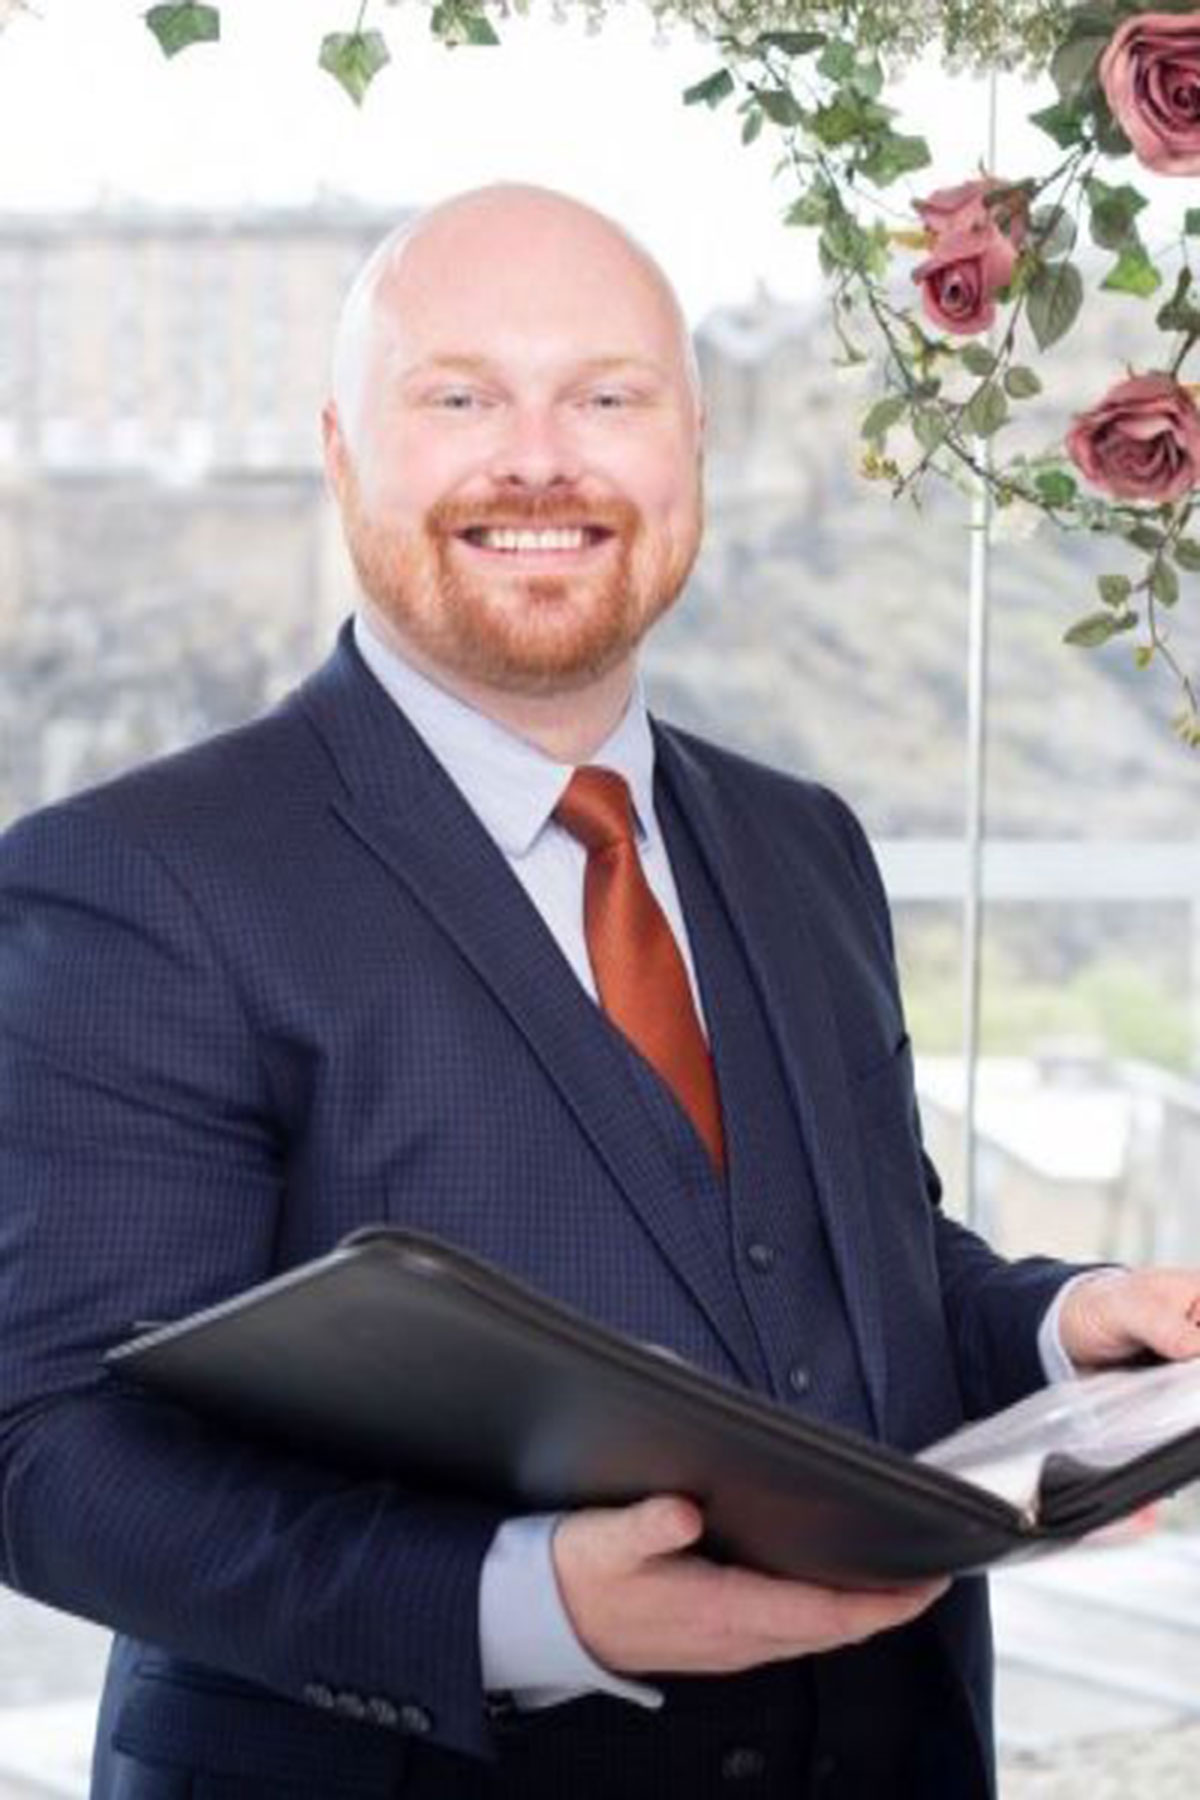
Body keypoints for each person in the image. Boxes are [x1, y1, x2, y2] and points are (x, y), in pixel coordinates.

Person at [0, 182, 1197, 1800]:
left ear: (691, 446)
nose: (541, 457)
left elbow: (853, 1282)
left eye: (607, 396)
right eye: (460, 396)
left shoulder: (805, 844)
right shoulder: (136, 880)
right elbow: (50, 1453)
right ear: (343, 448)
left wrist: (1066, 1330)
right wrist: (522, 1608)